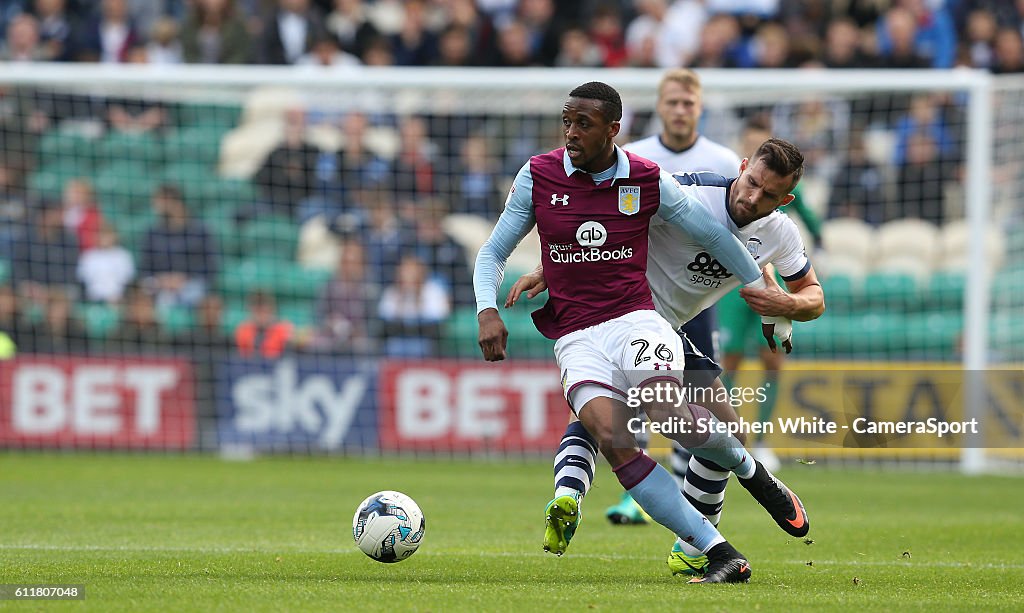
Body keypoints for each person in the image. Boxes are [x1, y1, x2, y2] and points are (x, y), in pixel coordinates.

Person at [474, 81, 808, 584]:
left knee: (671, 416)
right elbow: (492, 252)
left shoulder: (648, 179)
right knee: (614, 437)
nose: (570, 132)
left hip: (638, 319)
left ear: (614, 130)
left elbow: (716, 236)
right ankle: (719, 552)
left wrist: (772, 308)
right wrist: (487, 309)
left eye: (582, 123)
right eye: (566, 120)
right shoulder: (537, 175)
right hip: (574, 335)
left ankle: (750, 472)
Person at [601, 68, 743, 527]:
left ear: (699, 108)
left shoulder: (724, 161)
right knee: (633, 391)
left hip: (696, 297)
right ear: (660, 106)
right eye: (673, 103)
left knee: (697, 397)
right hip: (636, 295)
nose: (680, 111)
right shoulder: (633, 156)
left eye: (689, 103)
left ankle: (687, 492)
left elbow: (743, 229)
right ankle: (635, 492)